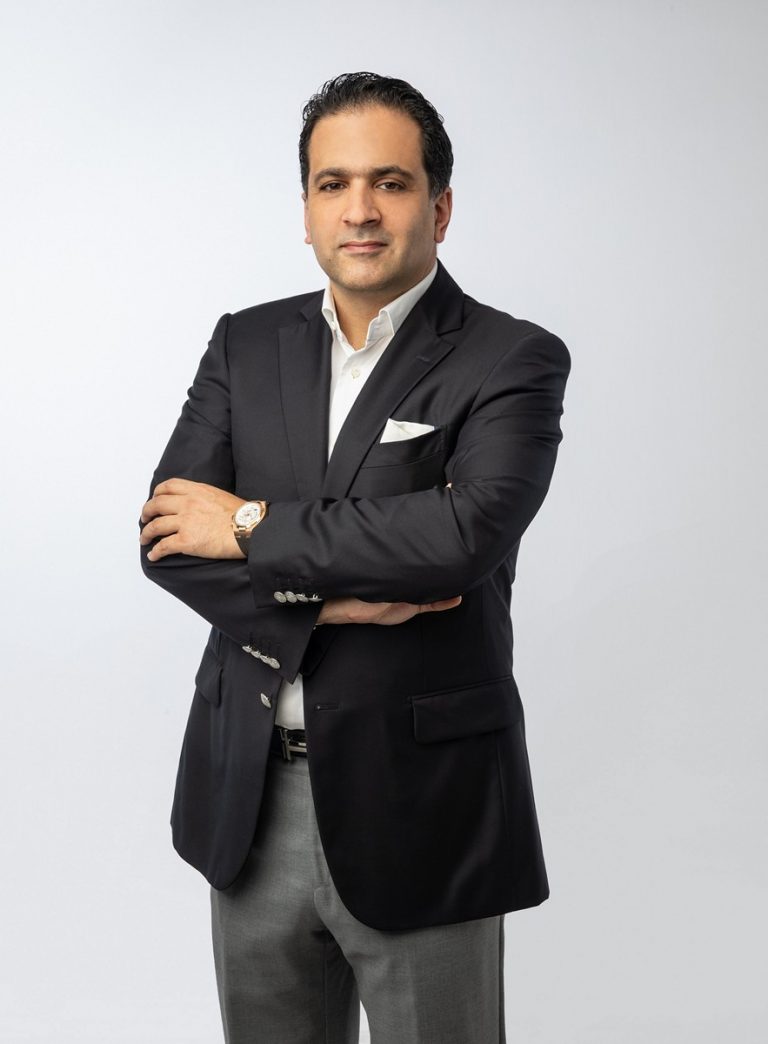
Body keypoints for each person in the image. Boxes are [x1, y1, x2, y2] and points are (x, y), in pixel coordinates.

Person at [138, 70, 571, 1044]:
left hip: (423, 805)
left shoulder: (512, 358)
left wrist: (249, 526)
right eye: (332, 184)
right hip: (251, 797)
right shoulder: (244, 345)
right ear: (305, 210)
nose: (360, 210)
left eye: (391, 182)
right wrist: (331, 601)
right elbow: (170, 538)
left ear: (440, 207)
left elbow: (457, 541)